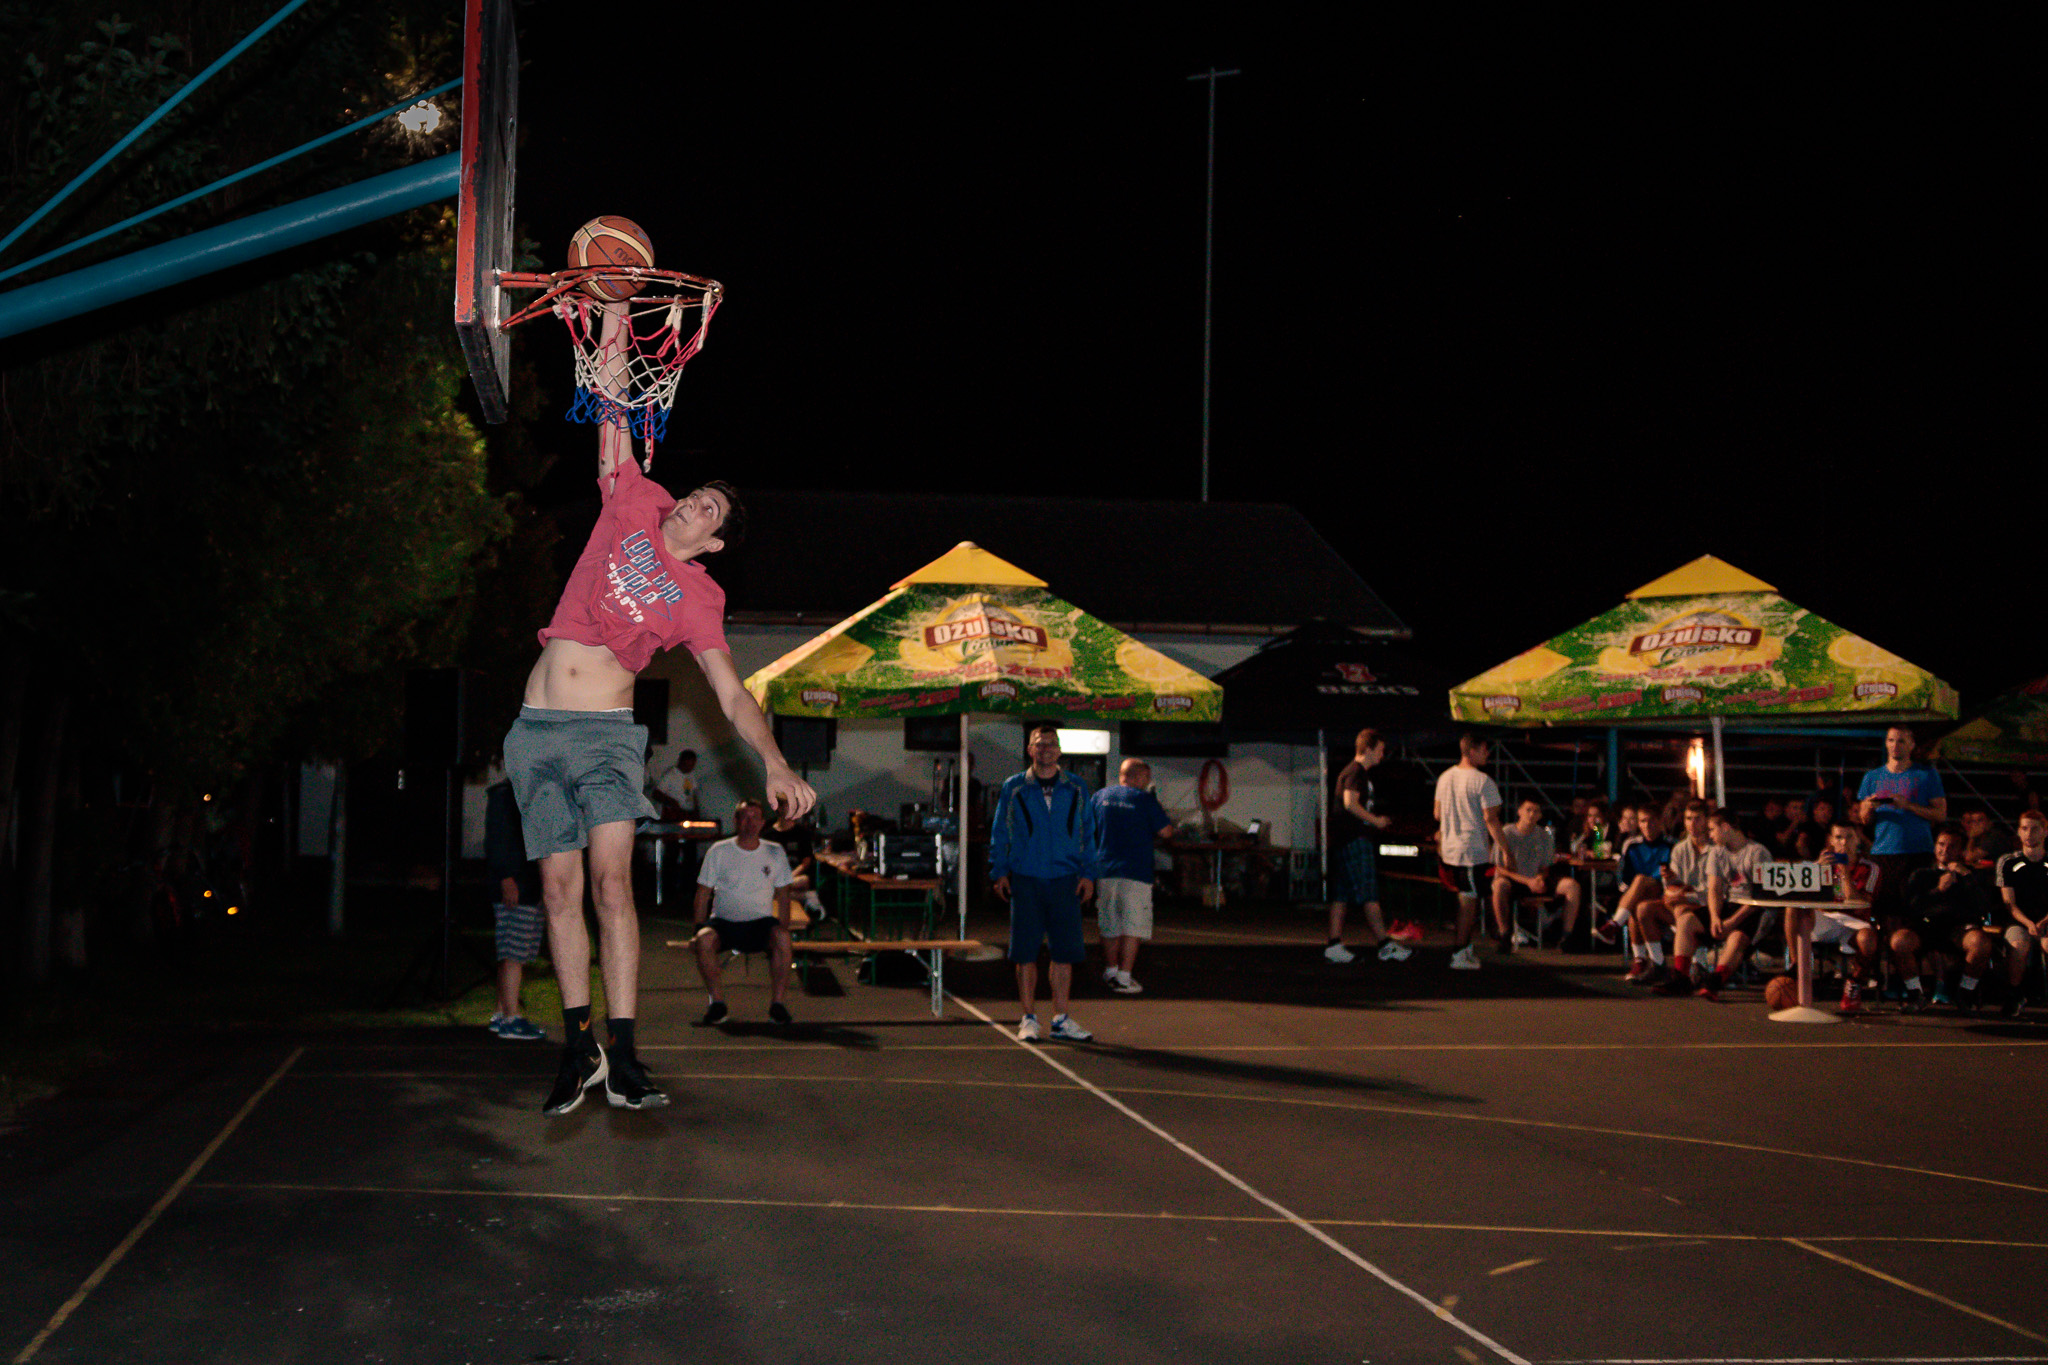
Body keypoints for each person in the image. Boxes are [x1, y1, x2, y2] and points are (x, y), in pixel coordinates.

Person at [503, 300, 816, 1117]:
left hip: (605, 736)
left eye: (710, 511)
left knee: (612, 886)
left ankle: (627, 1050)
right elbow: (610, 407)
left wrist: (775, 762)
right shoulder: (635, 498)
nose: (695, 506)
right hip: (537, 731)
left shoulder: (697, 598)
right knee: (560, 891)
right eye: (699, 496)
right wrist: (611, 313)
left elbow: (730, 693)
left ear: (713, 544)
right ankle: (578, 1050)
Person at [991, 724, 1101, 1041]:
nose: (1045, 750)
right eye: (1039, 745)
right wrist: (1000, 871)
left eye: (1051, 744)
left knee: (1064, 953)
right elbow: (1001, 832)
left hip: (1066, 880)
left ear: (1060, 750)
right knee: (1025, 952)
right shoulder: (1014, 787)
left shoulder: (1077, 787)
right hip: (1026, 879)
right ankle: (1028, 1018)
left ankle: (1061, 1018)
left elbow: (1087, 834)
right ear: (1029, 749)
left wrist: (1088, 874)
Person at [692, 800, 798, 1026]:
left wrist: (784, 928)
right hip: (724, 923)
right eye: (744, 817)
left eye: (755, 817)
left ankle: (778, 1005)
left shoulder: (774, 851)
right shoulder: (719, 851)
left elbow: (784, 895)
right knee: (703, 940)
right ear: (736, 821)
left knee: (783, 939)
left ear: (762, 823)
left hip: (761, 923)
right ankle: (716, 1004)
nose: (750, 822)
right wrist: (698, 928)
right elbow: (703, 893)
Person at [1324, 729, 1413, 965]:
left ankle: (1334, 945)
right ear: (1370, 748)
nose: (1383, 755)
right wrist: (1376, 821)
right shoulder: (1356, 772)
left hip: (1345, 840)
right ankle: (1384, 945)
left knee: (1341, 895)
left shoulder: (1353, 772)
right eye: (1381, 750)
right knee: (1370, 894)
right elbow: (1349, 803)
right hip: (1355, 840)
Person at [1091, 758, 1176, 992]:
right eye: (1147, 778)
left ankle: (1110, 970)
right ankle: (1125, 977)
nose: (1148, 783)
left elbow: (1086, 828)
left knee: (1109, 924)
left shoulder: (1100, 797)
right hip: (1135, 872)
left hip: (1105, 870)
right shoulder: (1145, 800)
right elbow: (1166, 831)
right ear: (1139, 777)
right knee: (1132, 927)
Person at [1855, 726, 1947, 922]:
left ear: (1912, 745)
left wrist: (1908, 806)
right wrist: (1869, 808)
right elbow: (1863, 820)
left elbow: (1941, 814)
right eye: (1891, 740)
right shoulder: (1872, 777)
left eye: (1901, 741)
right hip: (1883, 852)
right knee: (1883, 909)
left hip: (1917, 852)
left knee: (1914, 908)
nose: (1895, 746)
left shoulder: (1926, 774)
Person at [1433, 733, 1505, 971]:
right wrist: (1506, 850)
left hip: (1450, 849)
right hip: (1471, 850)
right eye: (1485, 749)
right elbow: (1491, 819)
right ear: (1472, 751)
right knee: (1469, 901)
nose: (1487, 755)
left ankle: (1463, 948)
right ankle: (1459, 952)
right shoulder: (1483, 781)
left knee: (1465, 898)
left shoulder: (1444, 777)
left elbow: (1437, 814)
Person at [484, 773, 547, 1041]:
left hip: (527, 883)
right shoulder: (505, 795)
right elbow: (497, 839)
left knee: (514, 951)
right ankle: (510, 1018)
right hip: (516, 883)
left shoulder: (528, 794)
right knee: (514, 952)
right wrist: (507, 877)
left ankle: (501, 1013)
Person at [1690, 809, 1777, 1000]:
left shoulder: (1758, 852)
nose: (1710, 835)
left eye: (1712, 830)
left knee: (1737, 938)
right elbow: (1714, 889)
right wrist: (1714, 917)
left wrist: (1731, 921)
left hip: (1755, 908)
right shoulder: (1717, 852)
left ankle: (1714, 981)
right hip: (1730, 904)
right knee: (1686, 920)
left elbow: (1761, 896)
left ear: (1726, 827)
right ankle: (1680, 976)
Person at [1905, 825, 1992, 1008]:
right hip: (1927, 926)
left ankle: (1965, 993)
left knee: (1981, 943)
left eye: (1951, 846)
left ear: (1960, 851)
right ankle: (1915, 993)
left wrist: (1965, 875)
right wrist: (1938, 890)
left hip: (1960, 928)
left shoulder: (1970, 874)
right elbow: (1912, 906)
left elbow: (1982, 906)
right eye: (1941, 844)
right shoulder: (1921, 873)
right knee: (1899, 941)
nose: (1945, 850)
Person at [1642, 799, 1718, 992]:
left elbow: (1713, 891)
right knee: (1644, 908)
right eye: (1688, 819)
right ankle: (1659, 963)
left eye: (1698, 819)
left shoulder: (1717, 850)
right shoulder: (1679, 849)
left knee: (1682, 910)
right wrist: (1670, 883)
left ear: (1707, 820)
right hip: (1682, 904)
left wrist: (1683, 894)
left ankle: (1683, 973)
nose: (1692, 824)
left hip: (1706, 907)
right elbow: (1675, 884)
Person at [1811, 821, 1884, 1014]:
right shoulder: (1821, 864)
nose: (1844, 842)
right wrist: (1816, 869)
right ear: (1830, 840)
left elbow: (1858, 902)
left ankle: (1854, 984)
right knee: (1792, 912)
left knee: (1868, 939)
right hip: (1826, 918)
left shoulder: (1870, 868)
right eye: (1838, 837)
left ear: (1858, 839)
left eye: (1849, 837)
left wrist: (1843, 870)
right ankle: (1794, 972)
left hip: (1854, 920)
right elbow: (1803, 897)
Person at [1492, 798, 1580, 950]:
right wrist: (1528, 881)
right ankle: (1504, 933)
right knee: (1499, 885)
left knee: (1572, 886)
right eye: (1528, 810)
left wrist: (1540, 877)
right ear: (1519, 811)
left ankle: (1567, 936)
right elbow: (1499, 867)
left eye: (1536, 811)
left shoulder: (1546, 835)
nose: (1532, 814)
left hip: (1539, 877)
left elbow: (1546, 866)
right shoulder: (1506, 832)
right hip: (1515, 879)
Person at [1602, 807, 1675, 980]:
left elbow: (1671, 876)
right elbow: (1623, 877)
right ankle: (1643, 961)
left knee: (1641, 881)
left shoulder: (1671, 844)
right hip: (1636, 894)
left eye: (1651, 820)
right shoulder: (1631, 843)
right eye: (1642, 821)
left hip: (1662, 892)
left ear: (1660, 822)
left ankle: (1615, 925)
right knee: (1637, 899)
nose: (1647, 825)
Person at [1990, 810, 2048, 1018]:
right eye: (2024, 828)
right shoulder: (2008, 862)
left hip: (2046, 920)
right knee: (2018, 944)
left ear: (2045, 832)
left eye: (2034, 829)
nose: (2029, 834)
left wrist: (2043, 921)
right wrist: (2029, 923)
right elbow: (2009, 903)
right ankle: (2015, 993)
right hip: (2019, 919)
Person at [653, 748, 701, 819]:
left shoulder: (691, 775)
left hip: (689, 814)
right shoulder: (671, 775)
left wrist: (696, 811)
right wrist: (673, 803)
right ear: (683, 761)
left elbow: (693, 794)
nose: (693, 766)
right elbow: (656, 794)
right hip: (673, 814)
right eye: (691, 763)